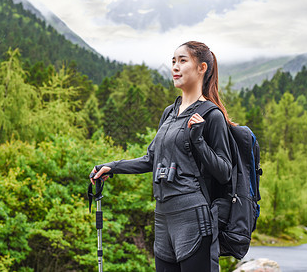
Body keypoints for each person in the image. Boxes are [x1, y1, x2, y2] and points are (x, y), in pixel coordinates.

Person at [90, 41, 233, 272]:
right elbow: (151, 159)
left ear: (202, 68)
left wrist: (198, 141)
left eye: (183, 60)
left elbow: (224, 172)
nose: (175, 67)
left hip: (193, 218)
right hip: (163, 218)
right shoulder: (169, 112)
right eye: (173, 61)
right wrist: (112, 167)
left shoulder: (211, 114)